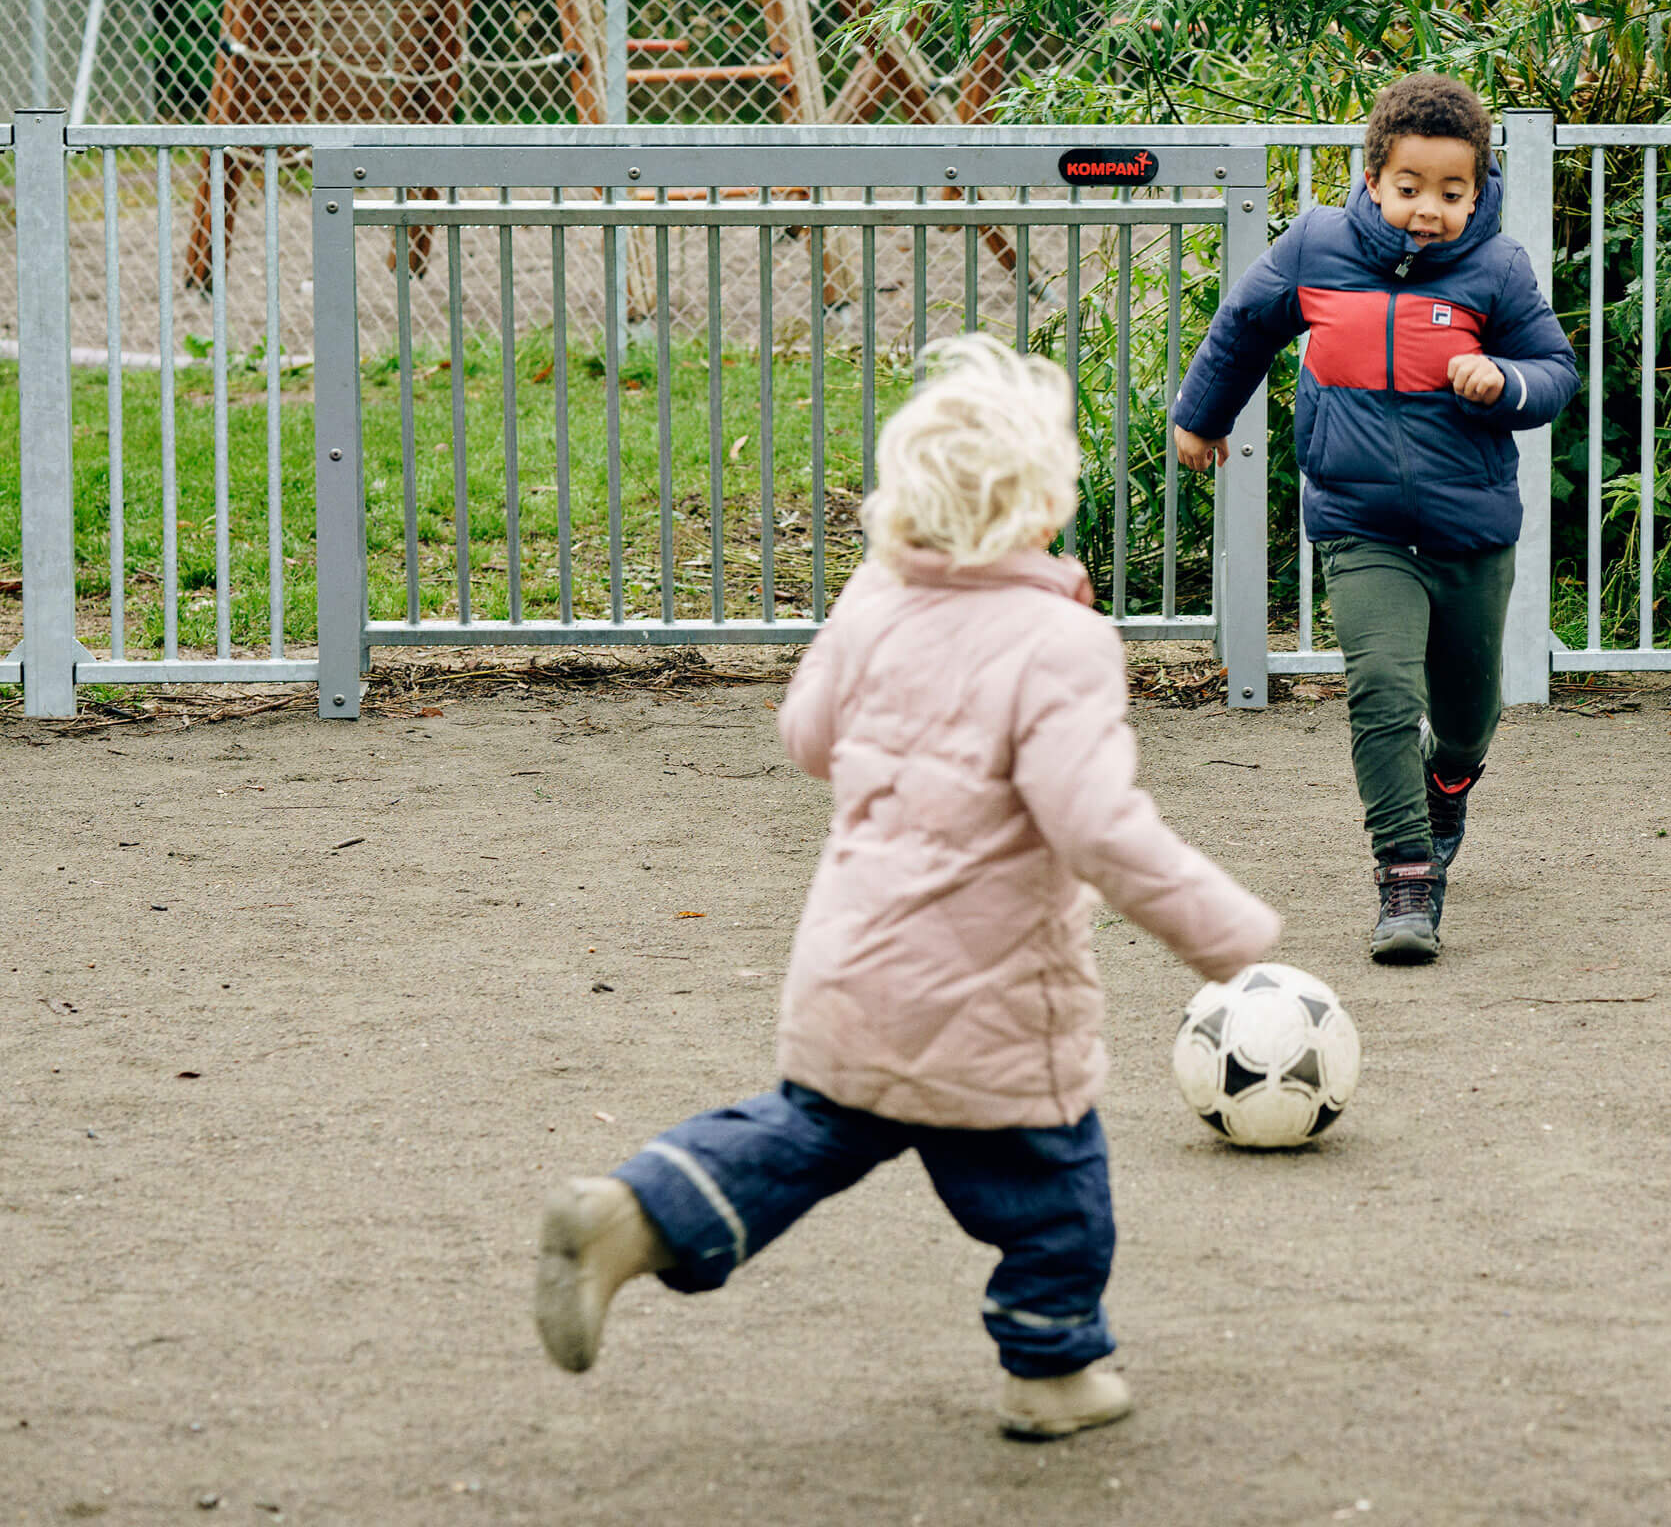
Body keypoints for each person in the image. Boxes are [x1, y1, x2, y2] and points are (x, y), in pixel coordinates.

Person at [534, 335, 1282, 1439]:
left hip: (848, 973)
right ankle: (1052, 1368)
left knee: (802, 1137)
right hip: (987, 998)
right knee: (1055, 1186)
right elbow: (1096, 823)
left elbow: (807, 736)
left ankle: (635, 1213)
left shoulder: (876, 600)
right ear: (1046, 505)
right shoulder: (1060, 641)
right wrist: (1224, 931)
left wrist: (870, 614)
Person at [1170, 72, 1577, 964]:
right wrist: (1201, 416)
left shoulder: (1498, 268)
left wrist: (1504, 380)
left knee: (1467, 719)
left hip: (1470, 529)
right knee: (1383, 692)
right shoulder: (1316, 246)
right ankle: (1406, 878)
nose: (1429, 209)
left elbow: (1555, 371)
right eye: (1410, 188)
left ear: (1478, 188)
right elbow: (1243, 326)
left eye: (1452, 193)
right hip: (1360, 525)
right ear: (1373, 178)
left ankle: (1447, 783)